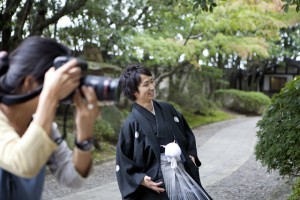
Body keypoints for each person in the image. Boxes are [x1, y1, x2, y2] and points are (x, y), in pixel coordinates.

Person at [0, 36, 99, 199]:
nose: (61, 98)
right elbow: (23, 162)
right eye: (58, 87)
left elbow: (72, 178)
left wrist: (84, 134)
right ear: (29, 83)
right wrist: (50, 96)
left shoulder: (44, 126)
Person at [115, 64, 213, 200]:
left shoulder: (168, 109)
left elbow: (186, 132)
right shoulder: (130, 124)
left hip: (181, 170)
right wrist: (141, 179)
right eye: (146, 84)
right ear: (134, 91)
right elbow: (124, 161)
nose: (152, 87)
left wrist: (191, 154)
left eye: (152, 81)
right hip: (156, 180)